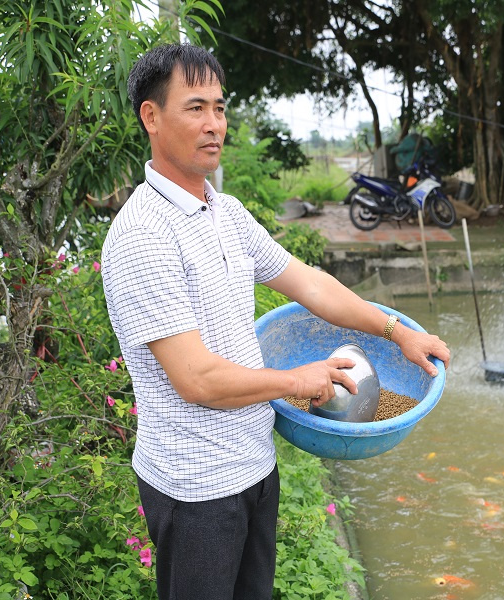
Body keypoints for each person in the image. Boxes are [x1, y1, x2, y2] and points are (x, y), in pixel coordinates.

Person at [101, 44, 450, 600]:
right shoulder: (143, 235)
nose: (214, 124)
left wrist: (397, 331)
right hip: (195, 489)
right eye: (195, 108)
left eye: (219, 108)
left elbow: (310, 283)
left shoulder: (225, 213)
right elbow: (196, 379)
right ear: (151, 116)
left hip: (254, 469)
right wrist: (296, 381)